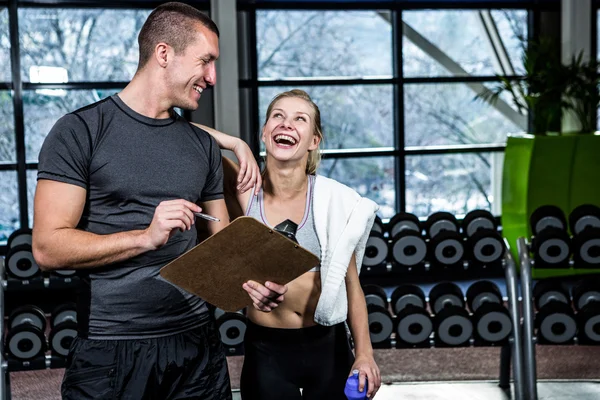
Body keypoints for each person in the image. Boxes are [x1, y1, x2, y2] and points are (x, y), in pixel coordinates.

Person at [32, 3, 285, 399]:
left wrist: (250, 287)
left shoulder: (201, 146)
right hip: (110, 348)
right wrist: (145, 237)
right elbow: (47, 248)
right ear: (164, 53)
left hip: (197, 347)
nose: (212, 77)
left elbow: (221, 249)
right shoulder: (79, 132)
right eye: (205, 61)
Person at [198, 89, 382, 399]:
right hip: (266, 349)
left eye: (300, 119)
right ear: (264, 132)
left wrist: (365, 354)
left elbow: (352, 285)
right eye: (278, 116)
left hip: (327, 345)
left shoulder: (333, 202)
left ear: (314, 140)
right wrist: (235, 143)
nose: (287, 124)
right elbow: (181, 131)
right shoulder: (244, 190)